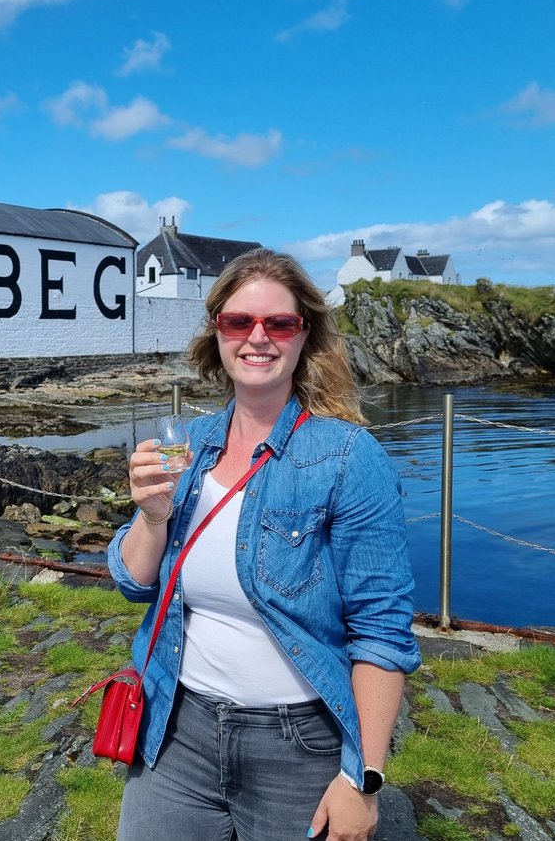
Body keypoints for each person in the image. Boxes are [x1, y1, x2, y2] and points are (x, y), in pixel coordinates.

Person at [108, 248, 420, 841]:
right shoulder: (189, 446)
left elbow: (381, 628)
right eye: (238, 322)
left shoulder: (350, 459)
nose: (258, 338)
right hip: (176, 729)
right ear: (217, 334)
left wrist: (362, 778)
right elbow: (133, 582)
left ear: (305, 336)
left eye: (279, 323)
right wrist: (152, 517)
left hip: (297, 744)